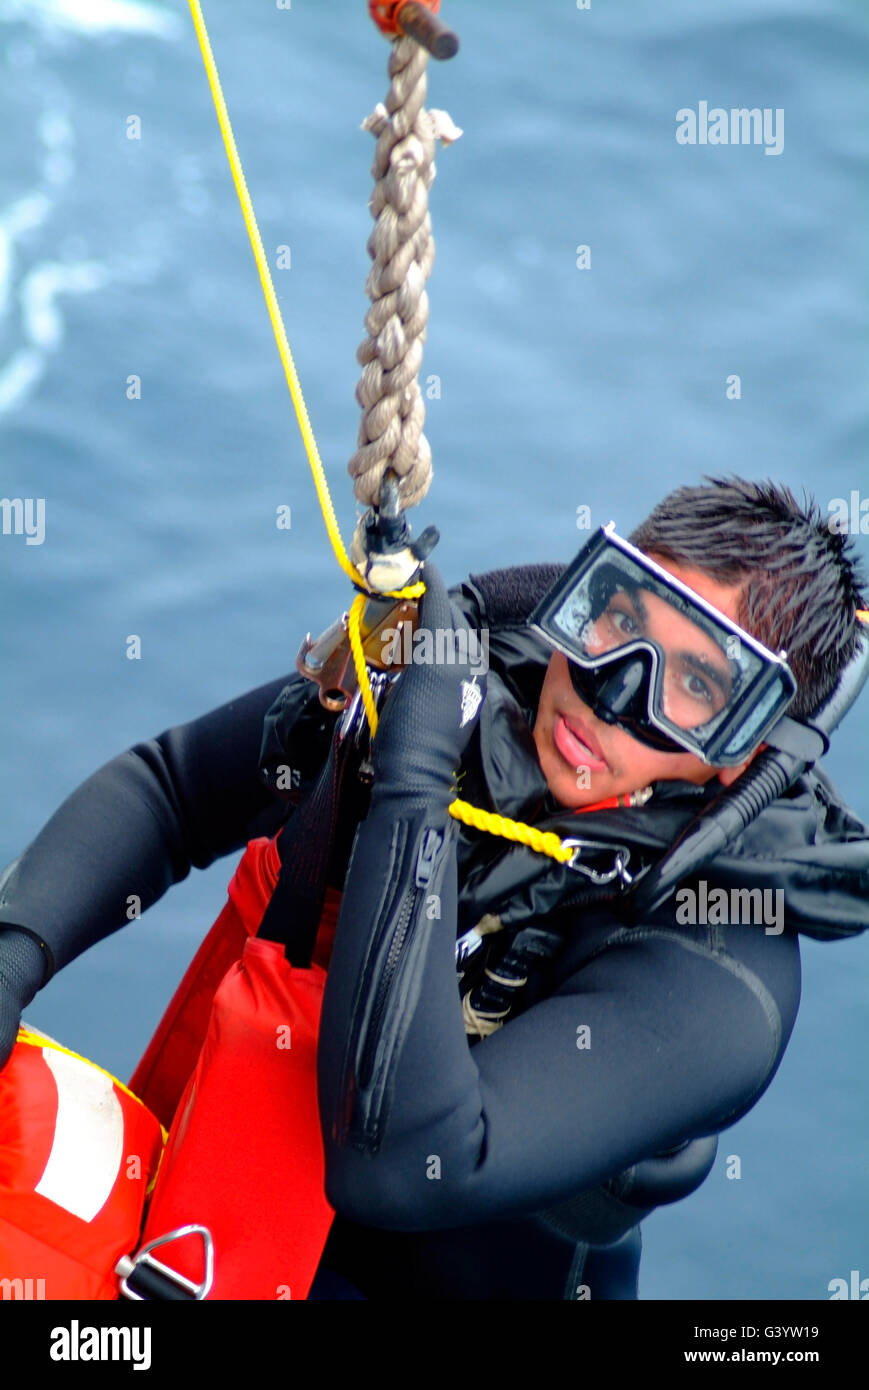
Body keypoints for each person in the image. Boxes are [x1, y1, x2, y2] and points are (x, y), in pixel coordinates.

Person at [0, 475, 866, 1301]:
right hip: (207, 1209)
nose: (612, 692)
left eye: (695, 684)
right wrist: (13, 956)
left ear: (744, 752)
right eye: (617, 619)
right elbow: (175, 791)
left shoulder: (718, 973)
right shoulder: (481, 688)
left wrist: (413, 786)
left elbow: (404, 1164)